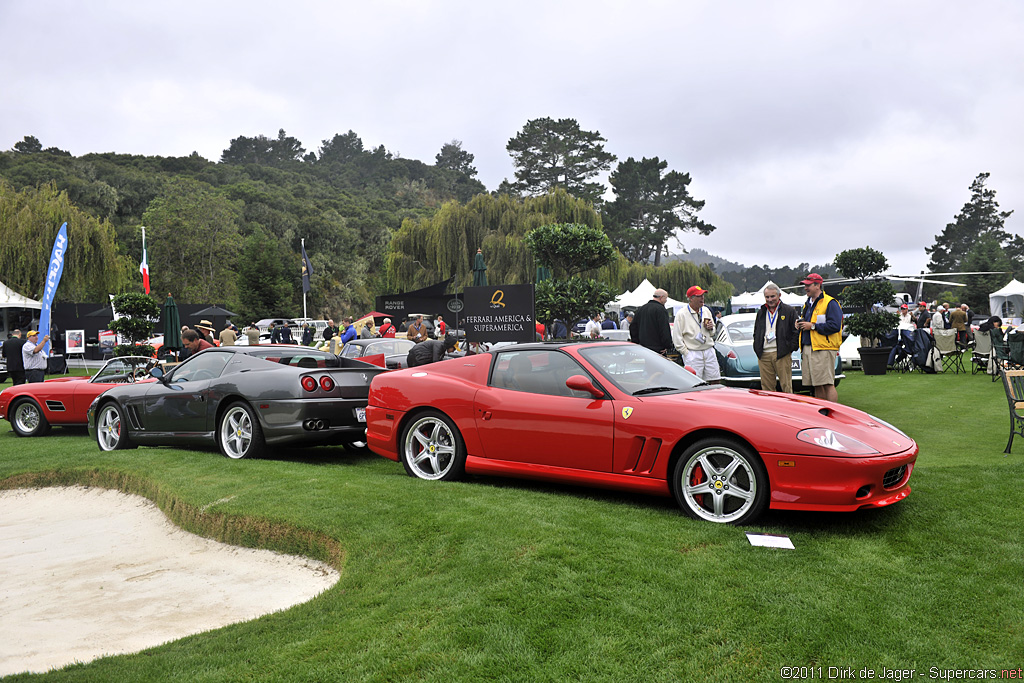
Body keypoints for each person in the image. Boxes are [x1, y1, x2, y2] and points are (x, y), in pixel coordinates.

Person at [796, 273, 843, 402]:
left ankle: (832, 412)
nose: (805, 288)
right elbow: (809, 322)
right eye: (805, 285)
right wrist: (800, 323)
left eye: (808, 285)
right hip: (809, 347)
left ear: (818, 285)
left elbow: (835, 326)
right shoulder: (808, 304)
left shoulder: (830, 302)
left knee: (827, 383)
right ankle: (821, 414)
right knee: (816, 384)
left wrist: (812, 326)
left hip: (823, 348)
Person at [753, 283, 798, 393]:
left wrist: (789, 348)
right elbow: (756, 332)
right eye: (767, 297)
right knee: (767, 389)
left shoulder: (789, 311)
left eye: (772, 296)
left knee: (786, 386)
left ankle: (789, 409)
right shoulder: (761, 312)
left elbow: (795, 331)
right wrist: (757, 347)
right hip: (764, 354)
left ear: (779, 295)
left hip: (781, 353)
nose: (770, 299)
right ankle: (769, 409)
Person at [672, 286, 720, 384]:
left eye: (703, 295)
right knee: (695, 383)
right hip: (692, 352)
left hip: (708, 350)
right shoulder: (682, 314)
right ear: (691, 298)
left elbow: (713, 332)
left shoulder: (706, 310)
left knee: (715, 380)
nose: (702, 298)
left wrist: (711, 328)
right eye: (699, 296)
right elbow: (677, 337)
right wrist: (686, 353)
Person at [630, 289, 673, 354]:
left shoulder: (641, 309)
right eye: (666, 298)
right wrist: (667, 345)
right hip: (657, 348)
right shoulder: (661, 310)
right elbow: (664, 329)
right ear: (661, 297)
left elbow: (633, 327)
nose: (666, 301)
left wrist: (636, 342)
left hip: (643, 347)